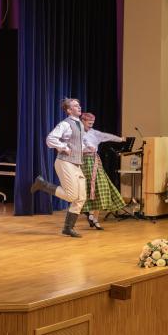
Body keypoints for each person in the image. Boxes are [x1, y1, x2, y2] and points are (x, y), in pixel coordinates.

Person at [30, 98, 87, 237]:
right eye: (75, 106)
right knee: (72, 195)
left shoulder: (79, 124)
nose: (79, 107)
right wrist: (63, 147)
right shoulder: (65, 124)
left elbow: (77, 143)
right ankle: (43, 185)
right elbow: (50, 139)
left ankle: (68, 228)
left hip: (77, 164)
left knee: (81, 197)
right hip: (65, 162)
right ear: (69, 110)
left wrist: (86, 148)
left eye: (79, 105)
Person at [79, 112, 127, 229]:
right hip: (84, 162)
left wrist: (120, 139)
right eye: (89, 123)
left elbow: (107, 136)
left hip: (95, 161)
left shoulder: (94, 133)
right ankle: (90, 214)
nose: (91, 125)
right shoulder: (77, 132)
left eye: (92, 123)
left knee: (102, 187)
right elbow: (75, 146)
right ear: (82, 121)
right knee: (88, 188)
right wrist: (86, 148)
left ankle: (94, 218)